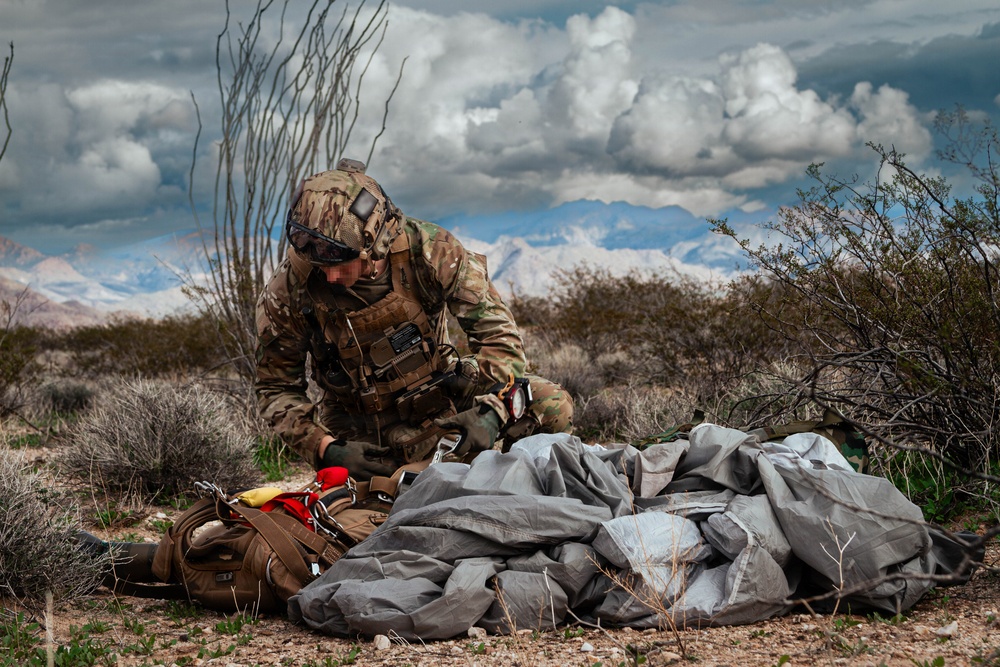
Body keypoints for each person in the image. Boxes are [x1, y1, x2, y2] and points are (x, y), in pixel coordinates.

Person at [255, 158, 573, 480]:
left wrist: (493, 410)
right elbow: (275, 387)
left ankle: (528, 490)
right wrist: (326, 448)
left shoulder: (432, 252)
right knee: (380, 517)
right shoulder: (290, 288)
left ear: (374, 245)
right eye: (317, 261)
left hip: (445, 400)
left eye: (340, 262)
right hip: (363, 434)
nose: (330, 275)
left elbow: (499, 338)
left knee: (550, 403)